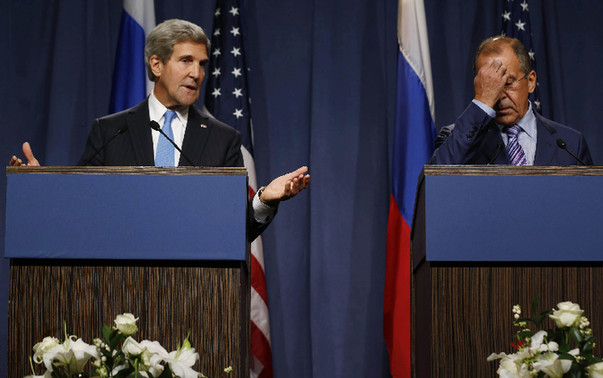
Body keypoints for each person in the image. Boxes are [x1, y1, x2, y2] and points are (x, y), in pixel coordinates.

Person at [10, 19, 310, 241]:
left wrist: (264, 199)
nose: (197, 73)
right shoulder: (110, 131)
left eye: (203, 64)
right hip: (119, 290)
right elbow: (79, 210)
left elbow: (235, 229)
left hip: (196, 295)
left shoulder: (223, 139)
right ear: (156, 64)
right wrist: (40, 187)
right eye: (186, 61)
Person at [429, 36, 593, 166]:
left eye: (507, 84)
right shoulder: (457, 137)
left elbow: (588, 203)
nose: (499, 96)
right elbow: (436, 182)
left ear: (531, 81)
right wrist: (482, 101)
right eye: (490, 85)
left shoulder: (569, 144)